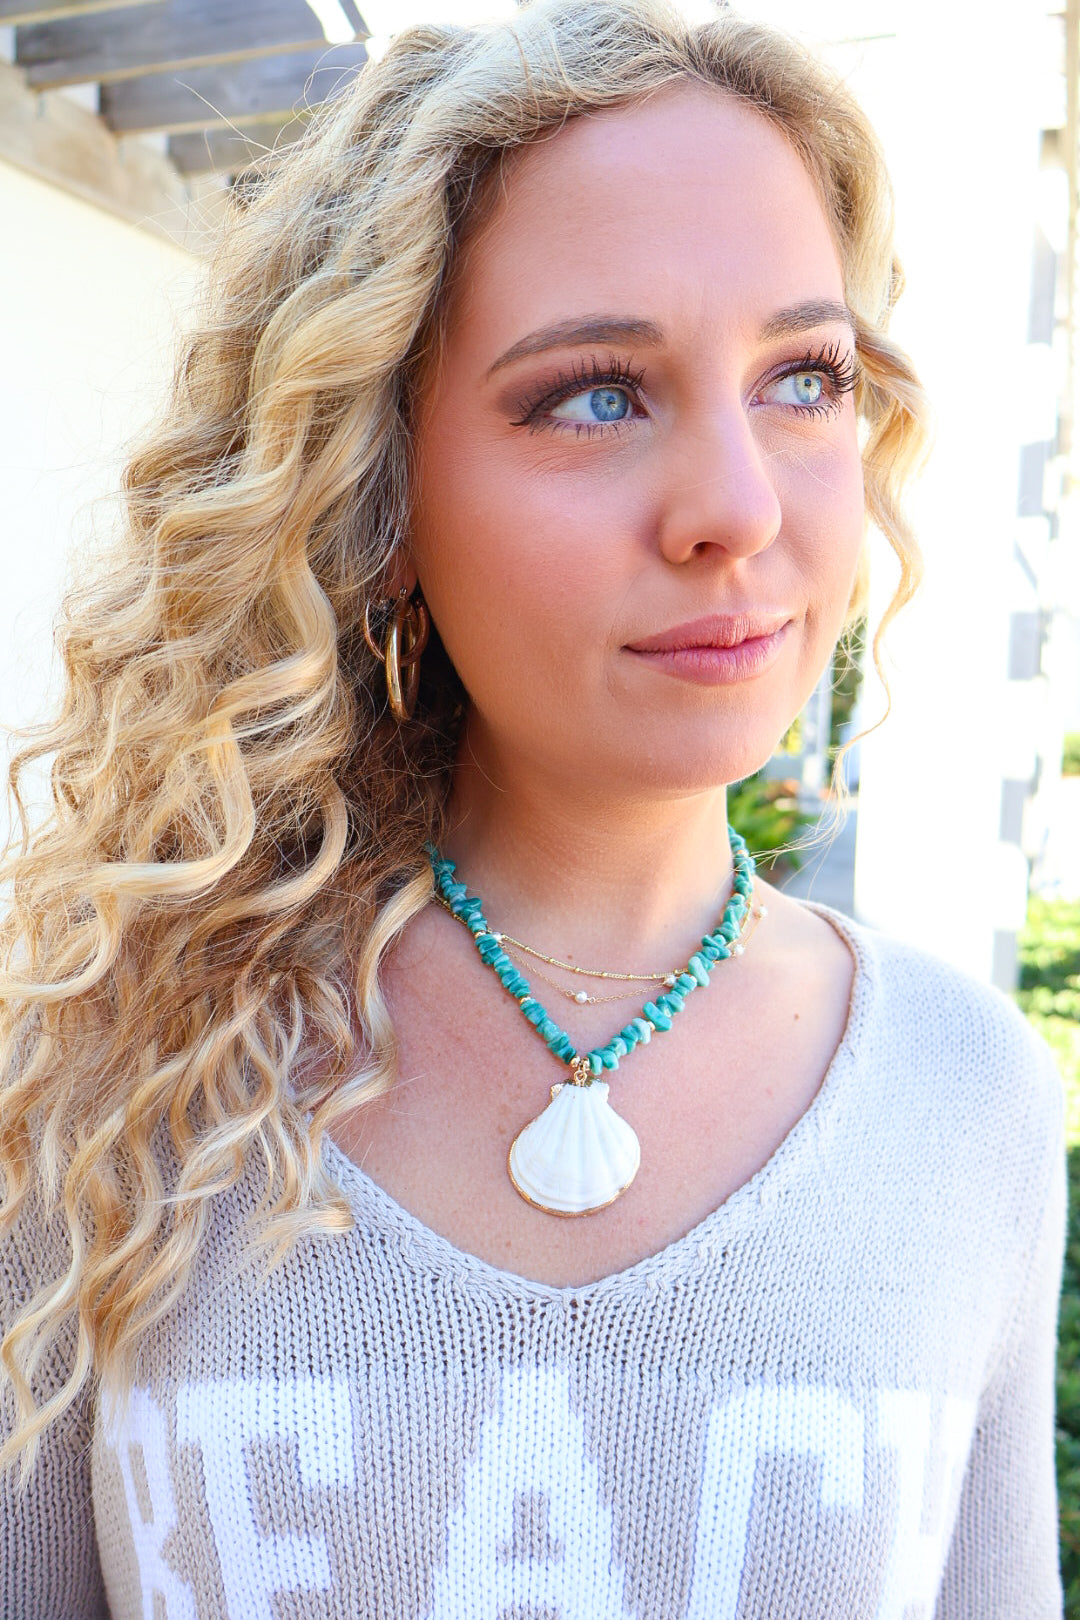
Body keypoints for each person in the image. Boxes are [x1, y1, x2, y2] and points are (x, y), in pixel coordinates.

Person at [0, 1, 1066, 1614]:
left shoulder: (966, 1099)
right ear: (376, 490)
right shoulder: (103, 1079)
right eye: (595, 395)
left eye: (804, 377)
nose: (737, 508)